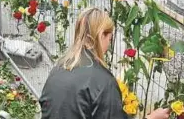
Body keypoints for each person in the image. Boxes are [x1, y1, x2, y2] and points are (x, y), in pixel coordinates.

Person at [39, 8, 171, 119]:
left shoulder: (60, 66)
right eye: (110, 38)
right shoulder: (103, 81)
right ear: (101, 35)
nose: (109, 44)